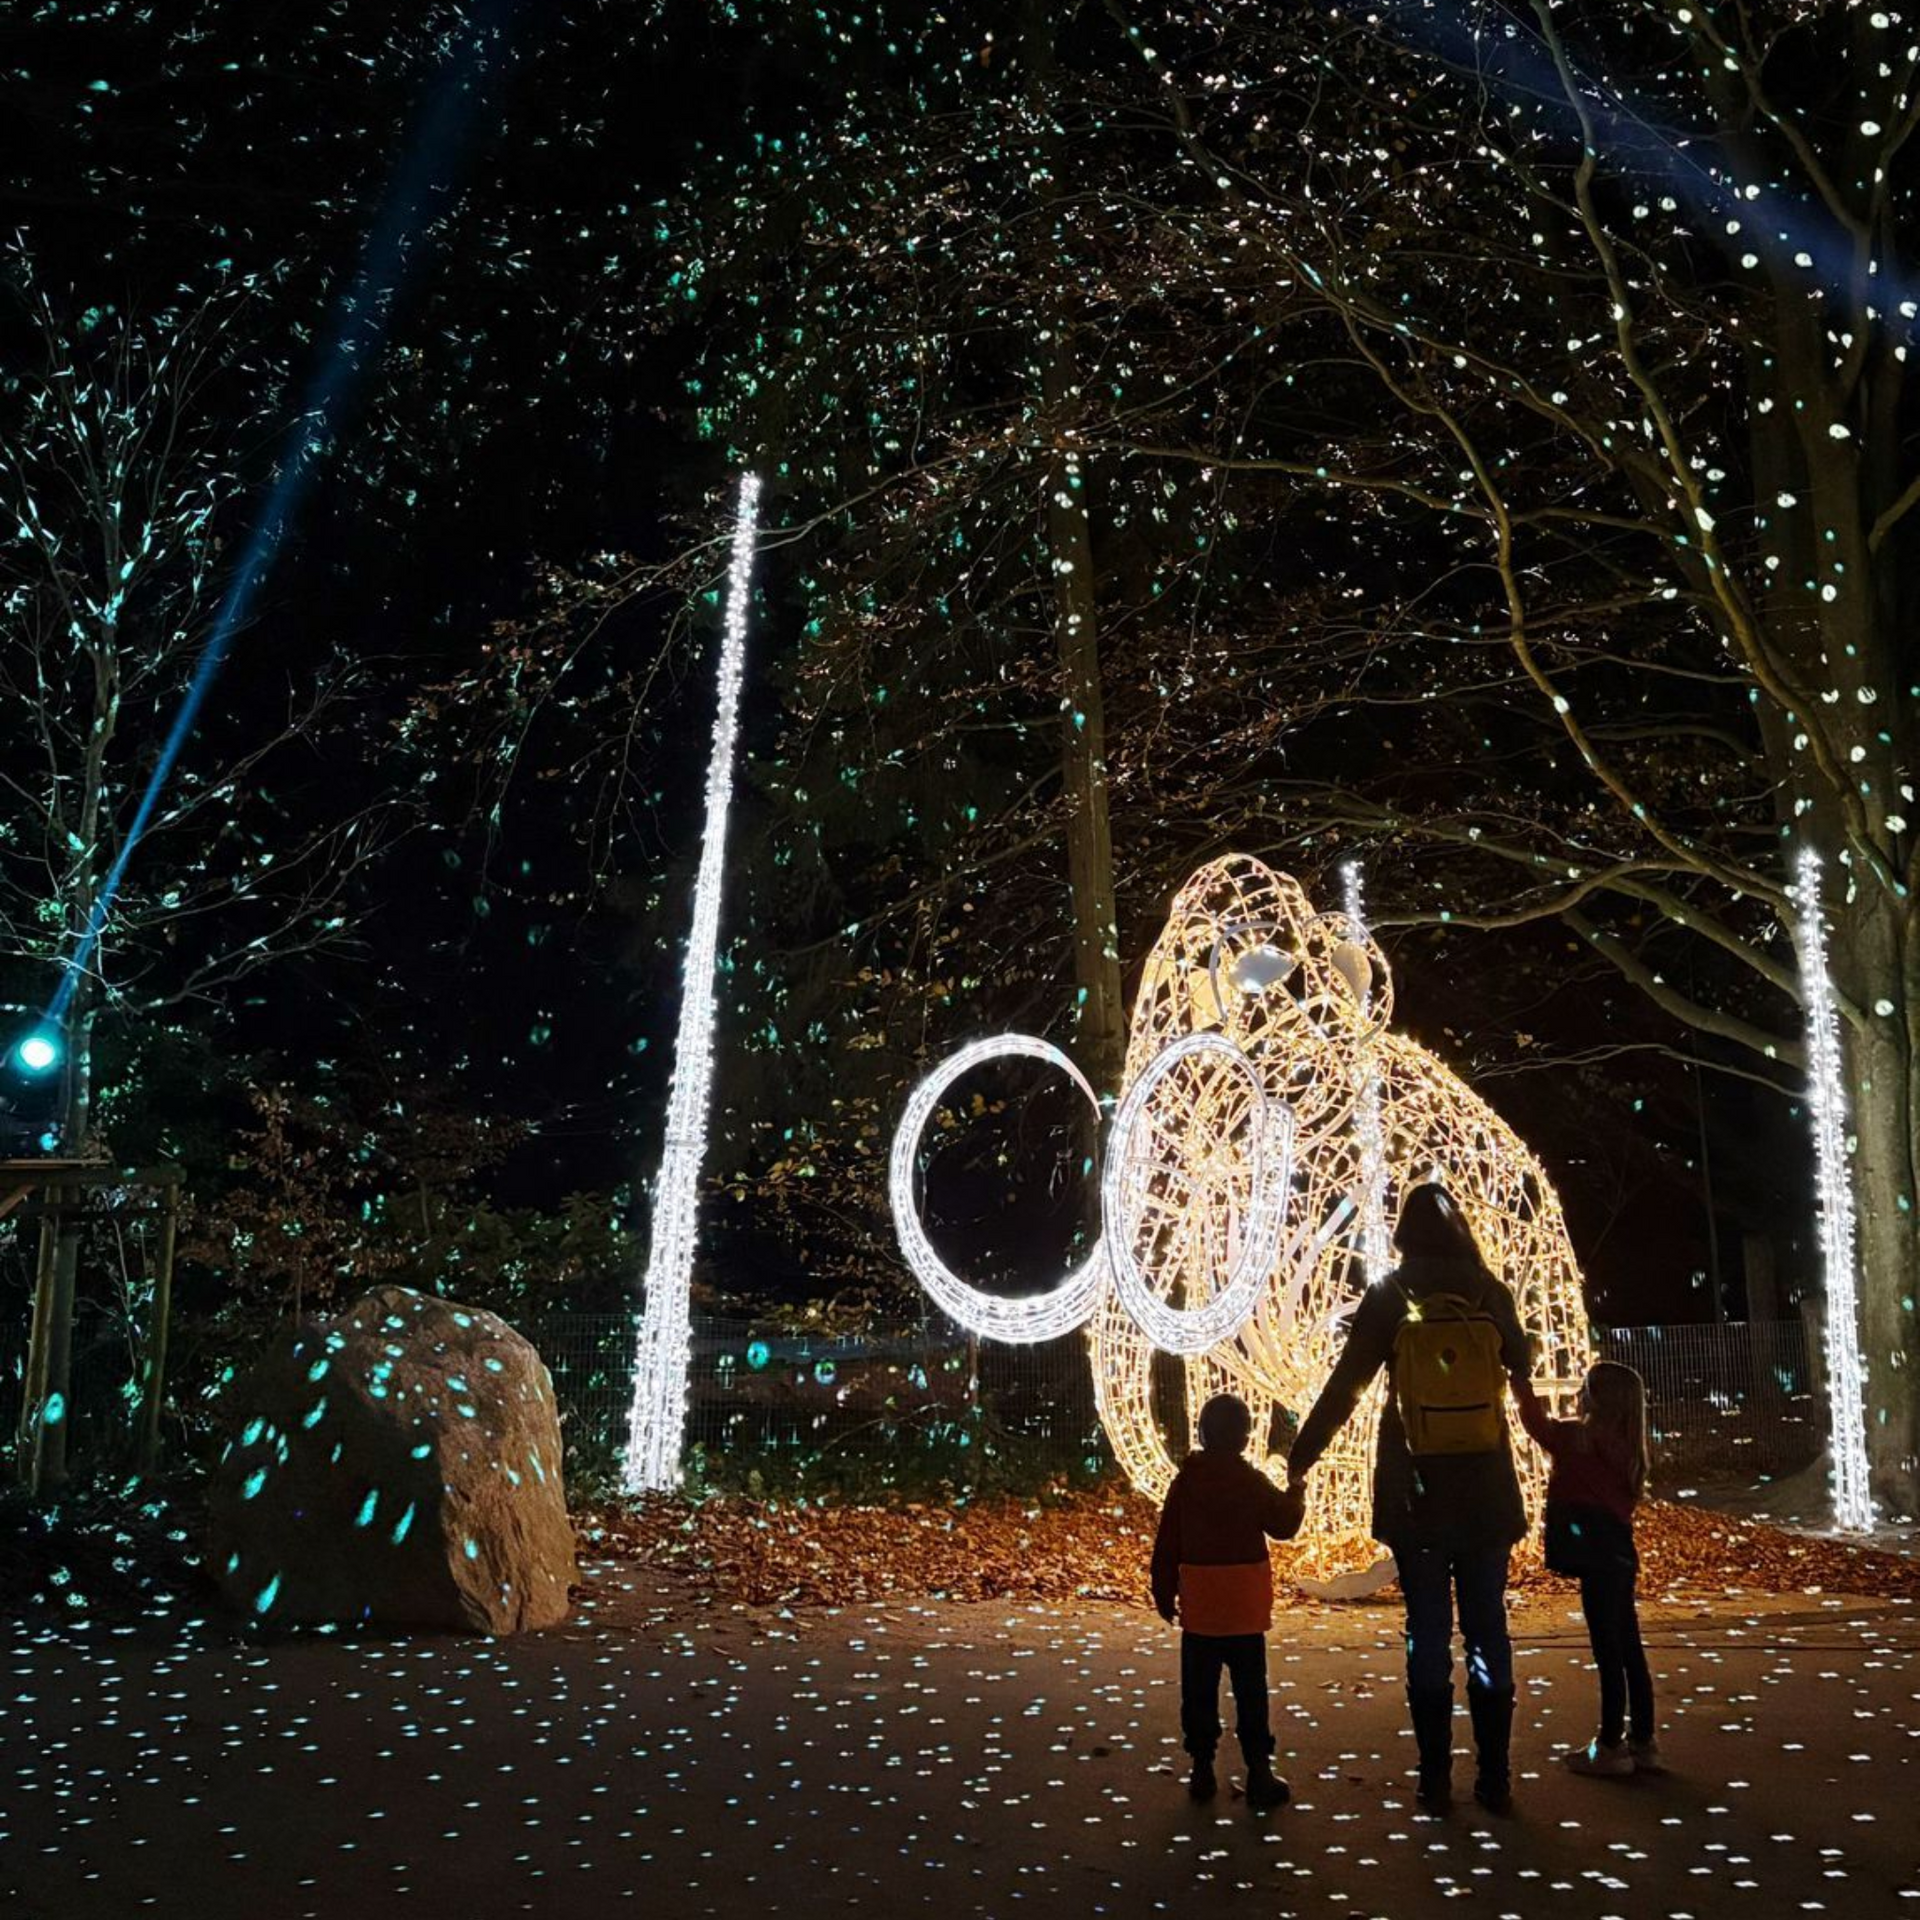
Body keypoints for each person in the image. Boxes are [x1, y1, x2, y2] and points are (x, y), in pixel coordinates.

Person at [1286, 1184, 1532, 1813]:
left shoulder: (1391, 1294)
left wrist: (1303, 1455)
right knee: (1486, 1630)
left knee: (1426, 1630)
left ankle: (1433, 1777)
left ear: (1405, 1231)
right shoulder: (1487, 1289)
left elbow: (1347, 1386)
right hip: (1484, 1487)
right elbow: (1524, 1365)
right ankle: (1495, 1775)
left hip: (1415, 1489)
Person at [1151, 1391, 1305, 1811]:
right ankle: (1258, 1772)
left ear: (1201, 1433)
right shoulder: (1249, 1480)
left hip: (1201, 1607)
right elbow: (1283, 1524)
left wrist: (1163, 1590)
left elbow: (1168, 1542)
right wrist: (1296, 1493)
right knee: (1251, 1691)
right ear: (1244, 1437)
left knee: (1198, 1691)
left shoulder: (1186, 1482)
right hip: (1244, 1608)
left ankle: (1202, 1767)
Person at [1513, 1361, 1660, 1776]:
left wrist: (1521, 1388)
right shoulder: (1628, 1448)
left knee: (1608, 1650)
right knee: (1628, 1646)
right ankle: (1644, 1740)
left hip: (1595, 1554)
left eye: (1586, 1389)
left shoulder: (1578, 1439)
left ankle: (1611, 1745)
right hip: (1618, 1553)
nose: (1579, 1393)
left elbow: (1537, 1426)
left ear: (1598, 1399)